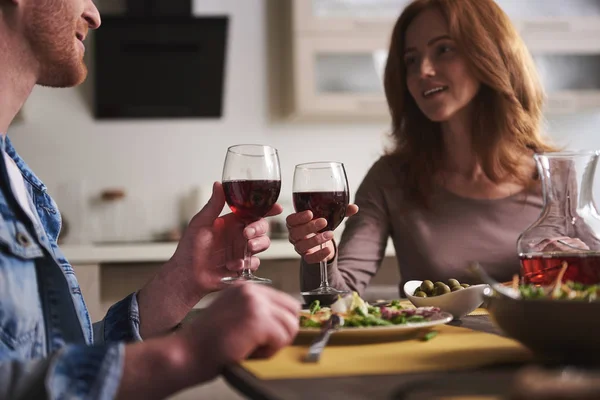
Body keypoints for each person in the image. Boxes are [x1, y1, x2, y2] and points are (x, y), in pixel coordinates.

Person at [0, 0, 299, 399]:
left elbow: (56, 361)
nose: (94, 14)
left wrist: (181, 281)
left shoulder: (19, 182)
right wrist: (185, 352)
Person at [286, 0, 559, 296]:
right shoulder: (391, 177)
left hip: (536, 342)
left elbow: (580, 291)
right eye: (411, 60)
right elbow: (339, 296)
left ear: (490, 55)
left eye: (444, 49)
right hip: (433, 342)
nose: (423, 71)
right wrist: (320, 257)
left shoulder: (553, 176)